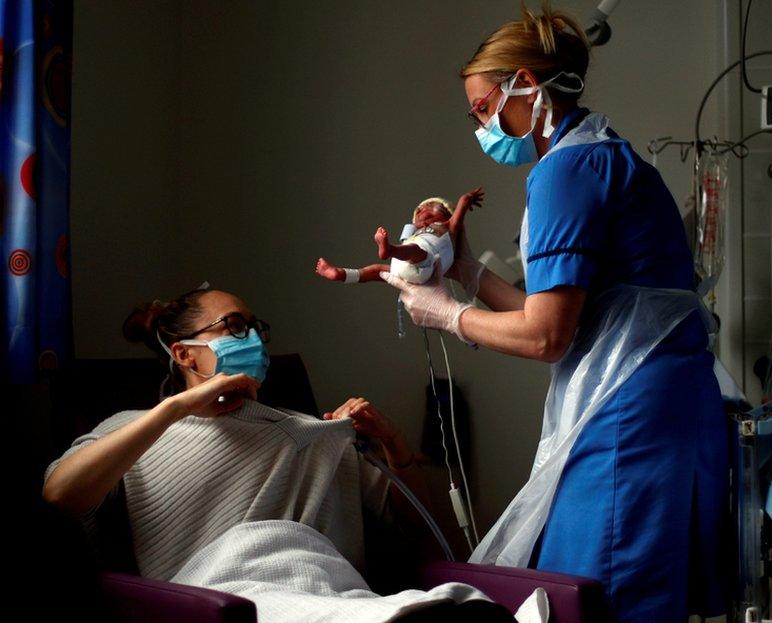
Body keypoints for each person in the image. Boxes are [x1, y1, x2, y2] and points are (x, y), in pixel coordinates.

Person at [381, 5, 729, 623]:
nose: (481, 126)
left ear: (527, 84)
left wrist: (444, 315)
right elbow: (574, 321)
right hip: (664, 400)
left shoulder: (564, 173)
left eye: (484, 109)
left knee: (606, 598)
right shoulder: (603, 154)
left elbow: (547, 337)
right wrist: (468, 276)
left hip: (628, 413)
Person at [41, 287, 426, 583]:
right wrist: (176, 409)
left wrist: (393, 441)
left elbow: (419, 524)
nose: (253, 340)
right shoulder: (136, 429)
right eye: (235, 326)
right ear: (184, 354)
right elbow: (61, 495)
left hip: (328, 587)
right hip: (226, 595)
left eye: (255, 328)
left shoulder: (308, 433)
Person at [315, 188, 484, 285]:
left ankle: (389, 249)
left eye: (432, 207)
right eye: (419, 210)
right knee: (375, 270)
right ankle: (340, 274)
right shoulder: (413, 233)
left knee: (416, 251)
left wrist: (468, 198)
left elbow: (460, 207)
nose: (422, 210)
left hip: (425, 264)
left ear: (447, 215)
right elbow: (410, 233)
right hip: (402, 267)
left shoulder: (449, 227)